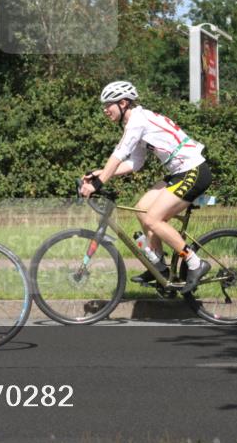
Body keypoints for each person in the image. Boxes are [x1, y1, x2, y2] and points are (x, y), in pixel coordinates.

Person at [79, 81, 213, 293]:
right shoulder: (136, 122)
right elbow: (135, 163)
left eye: (108, 105)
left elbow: (119, 154)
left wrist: (98, 183)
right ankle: (159, 266)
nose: (105, 110)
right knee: (142, 210)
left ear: (123, 103)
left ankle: (195, 263)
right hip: (180, 172)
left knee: (153, 218)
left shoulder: (137, 121)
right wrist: (100, 173)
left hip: (194, 170)